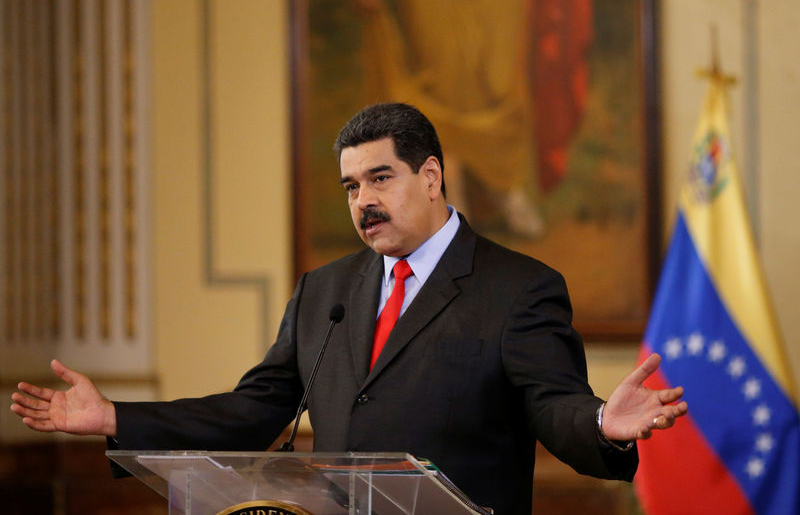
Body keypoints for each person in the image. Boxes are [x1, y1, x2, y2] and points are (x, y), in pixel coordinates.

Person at [11, 103, 687, 515]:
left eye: (380, 178)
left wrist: (600, 420)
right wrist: (116, 417)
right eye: (350, 185)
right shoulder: (324, 292)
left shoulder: (517, 288)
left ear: (429, 176)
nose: (363, 199)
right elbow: (255, 409)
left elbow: (553, 407)